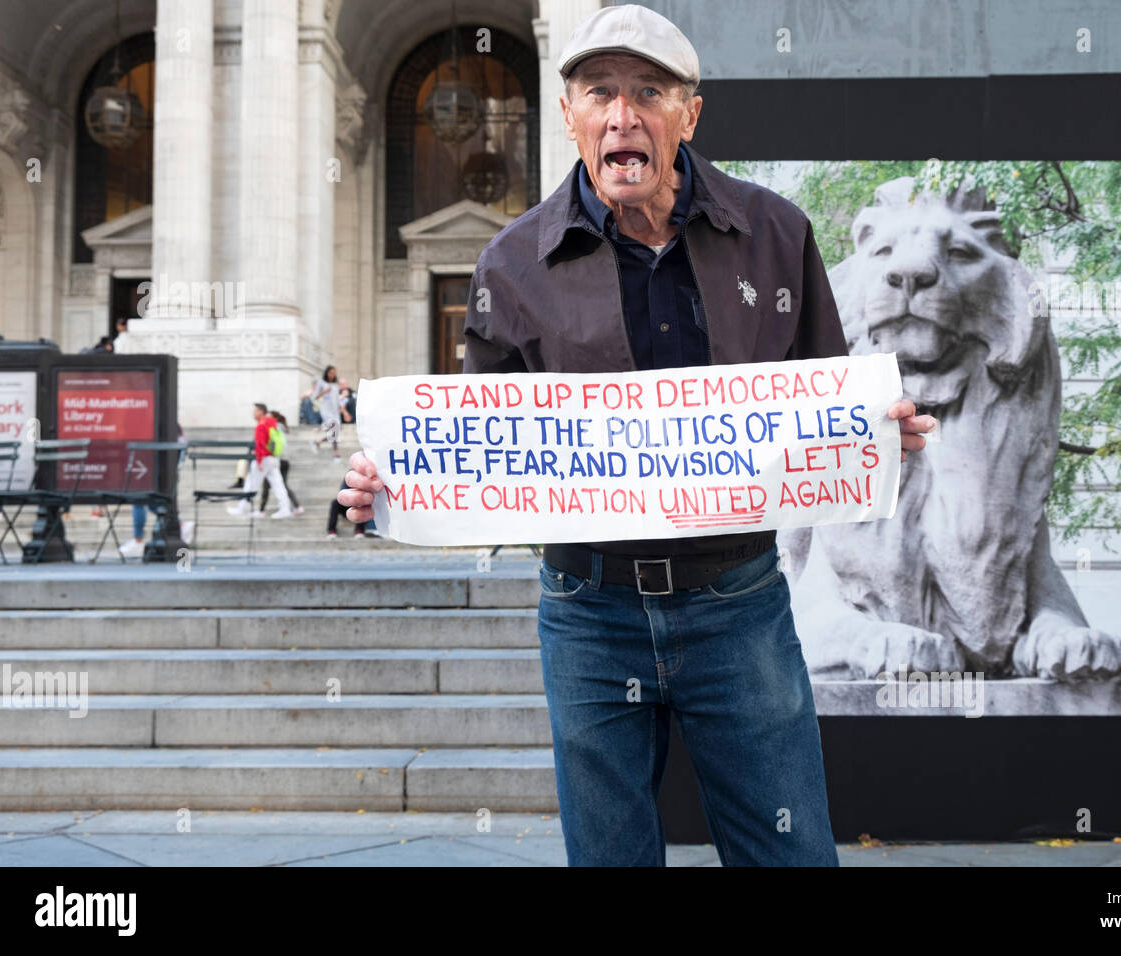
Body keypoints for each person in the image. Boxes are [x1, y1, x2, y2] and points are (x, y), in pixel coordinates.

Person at [341, 4, 935, 867]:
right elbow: (478, 447)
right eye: (599, 93)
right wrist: (391, 483)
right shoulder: (510, 264)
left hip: (738, 604)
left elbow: (831, 401)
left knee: (790, 853)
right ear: (570, 114)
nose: (623, 115)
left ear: (688, 115)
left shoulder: (775, 236)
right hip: (588, 615)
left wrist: (884, 432)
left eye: (647, 92)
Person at [118, 422, 194, 558]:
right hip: (163, 477)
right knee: (153, 504)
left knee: (139, 499)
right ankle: (181, 525)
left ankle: (138, 540)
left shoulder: (165, 432)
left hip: (158, 477)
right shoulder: (177, 436)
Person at [227, 403, 293, 519]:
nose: (253, 413)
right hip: (273, 458)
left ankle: (242, 509)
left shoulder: (261, 425)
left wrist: (258, 461)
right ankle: (285, 508)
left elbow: (260, 445)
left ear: (261, 412)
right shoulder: (271, 423)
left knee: (250, 484)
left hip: (263, 459)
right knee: (278, 485)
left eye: (255, 410)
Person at [255, 411, 303, 516]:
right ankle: (296, 506)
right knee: (282, 485)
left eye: (268, 417)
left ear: (274, 418)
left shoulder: (273, 427)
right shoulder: (282, 427)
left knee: (267, 486)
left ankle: (261, 510)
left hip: (277, 460)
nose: (266, 419)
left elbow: (269, 443)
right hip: (284, 460)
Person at [304, 365, 342, 461]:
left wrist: (343, 411)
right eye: (331, 373)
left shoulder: (335, 385)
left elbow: (337, 399)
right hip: (326, 410)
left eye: (334, 373)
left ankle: (318, 442)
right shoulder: (321, 383)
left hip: (335, 411)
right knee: (334, 428)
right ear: (327, 373)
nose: (332, 375)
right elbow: (314, 397)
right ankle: (335, 453)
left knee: (335, 432)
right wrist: (324, 392)